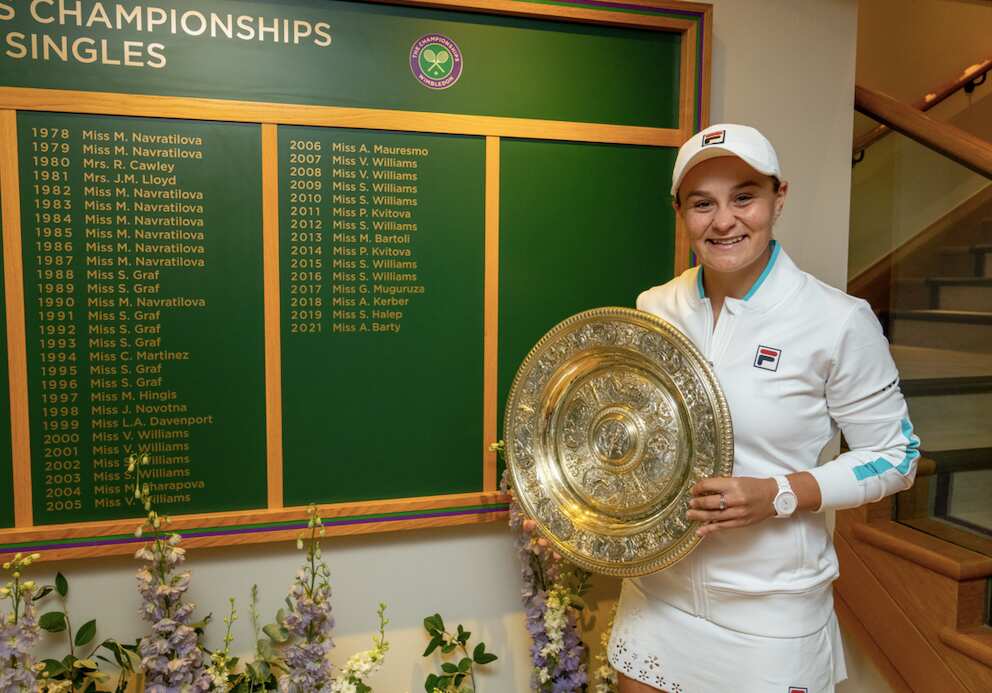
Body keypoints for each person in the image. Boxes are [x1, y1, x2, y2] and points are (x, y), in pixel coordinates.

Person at [607, 124, 920, 693]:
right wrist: (580, 502)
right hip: (657, 598)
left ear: (779, 198)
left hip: (772, 616)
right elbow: (642, 441)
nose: (723, 221)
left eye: (744, 196)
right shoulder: (654, 308)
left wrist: (778, 493)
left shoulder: (837, 320)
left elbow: (896, 457)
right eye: (703, 204)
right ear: (681, 213)